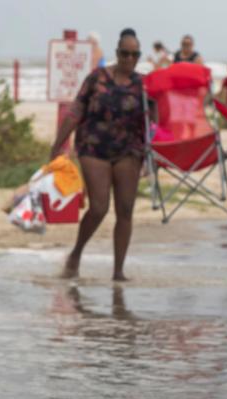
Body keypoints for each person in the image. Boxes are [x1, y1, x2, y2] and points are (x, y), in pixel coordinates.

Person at [50, 28, 145, 282]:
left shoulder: (143, 85)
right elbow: (75, 111)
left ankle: (118, 271)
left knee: (125, 209)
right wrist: (58, 145)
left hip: (128, 151)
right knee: (100, 207)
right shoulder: (97, 78)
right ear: (117, 53)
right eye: (125, 53)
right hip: (93, 148)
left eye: (134, 55)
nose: (129, 59)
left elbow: (157, 122)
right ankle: (76, 254)